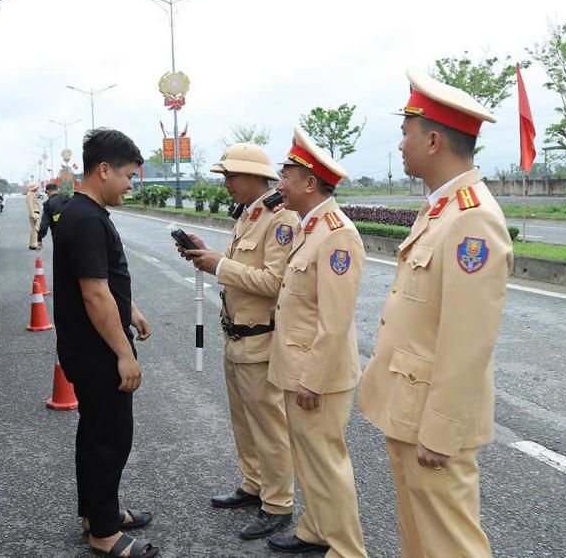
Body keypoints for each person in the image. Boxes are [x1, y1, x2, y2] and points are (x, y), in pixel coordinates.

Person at [358, 69, 513, 558]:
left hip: (431, 419)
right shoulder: (441, 208)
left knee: (450, 543)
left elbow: (469, 341)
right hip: (410, 408)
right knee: (420, 539)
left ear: (432, 140)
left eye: (405, 134)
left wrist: (442, 430)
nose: (400, 144)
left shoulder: (472, 219)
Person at [179, 143, 297, 540]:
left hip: (261, 340)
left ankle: (278, 502)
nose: (226, 183)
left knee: (268, 425)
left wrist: (220, 265)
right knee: (243, 421)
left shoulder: (280, 220)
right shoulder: (251, 215)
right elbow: (240, 268)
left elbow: (276, 283)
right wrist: (210, 255)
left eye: (231, 175)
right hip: (236, 335)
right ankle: (253, 484)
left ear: (253, 176)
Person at [53, 128, 159, 558]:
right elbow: (94, 293)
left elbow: (104, 284)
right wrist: (123, 353)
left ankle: (98, 513)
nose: (131, 186)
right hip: (97, 351)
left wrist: (129, 308)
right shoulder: (86, 220)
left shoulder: (84, 215)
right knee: (110, 438)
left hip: (88, 345)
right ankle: (104, 533)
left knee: (95, 433)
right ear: (103, 170)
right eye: (129, 177)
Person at [265, 126, 368, 557]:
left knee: (328, 464)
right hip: (298, 368)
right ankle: (315, 528)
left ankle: (346, 549)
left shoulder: (337, 234)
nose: (280, 185)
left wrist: (314, 379)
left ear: (309, 183)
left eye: (286, 176)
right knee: (306, 457)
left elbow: (336, 321)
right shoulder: (310, 227)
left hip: (316, 375)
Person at [37, 181, 70, 248]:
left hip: (58, 236)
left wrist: (39, 239)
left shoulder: (48, 204)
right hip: (73, 234)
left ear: (48, 192)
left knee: (60, 256)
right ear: (57, 190)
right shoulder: (67, 199)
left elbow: (44, 224)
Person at [25, 182, 41, 250]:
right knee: (35, 229)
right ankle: (33, 244)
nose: (37, 188)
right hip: (34, 213)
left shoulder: (32, 194)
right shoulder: (30, 195)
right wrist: (32, 215)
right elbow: (30, 206)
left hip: (35, 213)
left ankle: (33, 243)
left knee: (34, 229)